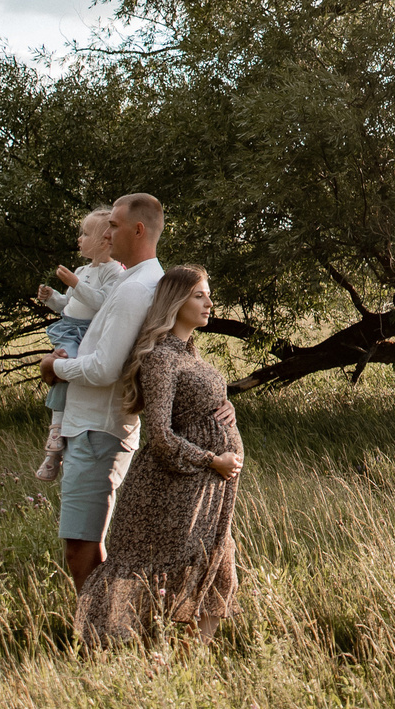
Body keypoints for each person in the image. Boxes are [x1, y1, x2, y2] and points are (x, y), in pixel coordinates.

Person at [74, 264, 243, 646]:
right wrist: (211, 460)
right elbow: (162, 436)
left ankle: (197, 656)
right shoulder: (160, 358)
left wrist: (227, 409)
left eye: (208, 294)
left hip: (210, 487)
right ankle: (124, 647)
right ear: (175, 300)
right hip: (174, 484)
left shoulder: (191, 355)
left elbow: (199, 407)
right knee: (167, 563)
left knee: (217, 560)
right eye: (199, 295)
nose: (209, 303)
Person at [41, 192, 165, 596]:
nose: (107, 234)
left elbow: (104, 368)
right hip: (92, 426)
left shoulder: (135, 288)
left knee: (81, 546)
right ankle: (105, 633)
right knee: (83, 543)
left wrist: (54, 367)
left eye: (113, 225)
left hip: (98, 430)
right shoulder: (132, 281)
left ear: (138, 229)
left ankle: (100, 638)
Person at [31, 206, 120, 481]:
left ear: (105, 239)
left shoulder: (113, 271)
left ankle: (56, 439)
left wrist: (75, 282)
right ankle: (55, 436)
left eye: (84, 233)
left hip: (86, 334)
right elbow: (68, 304)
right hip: (68, 329)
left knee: (62, 368)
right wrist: (51, 296)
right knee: (59, 369)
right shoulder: (82, 268)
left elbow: (101, 304)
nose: (79, 239)